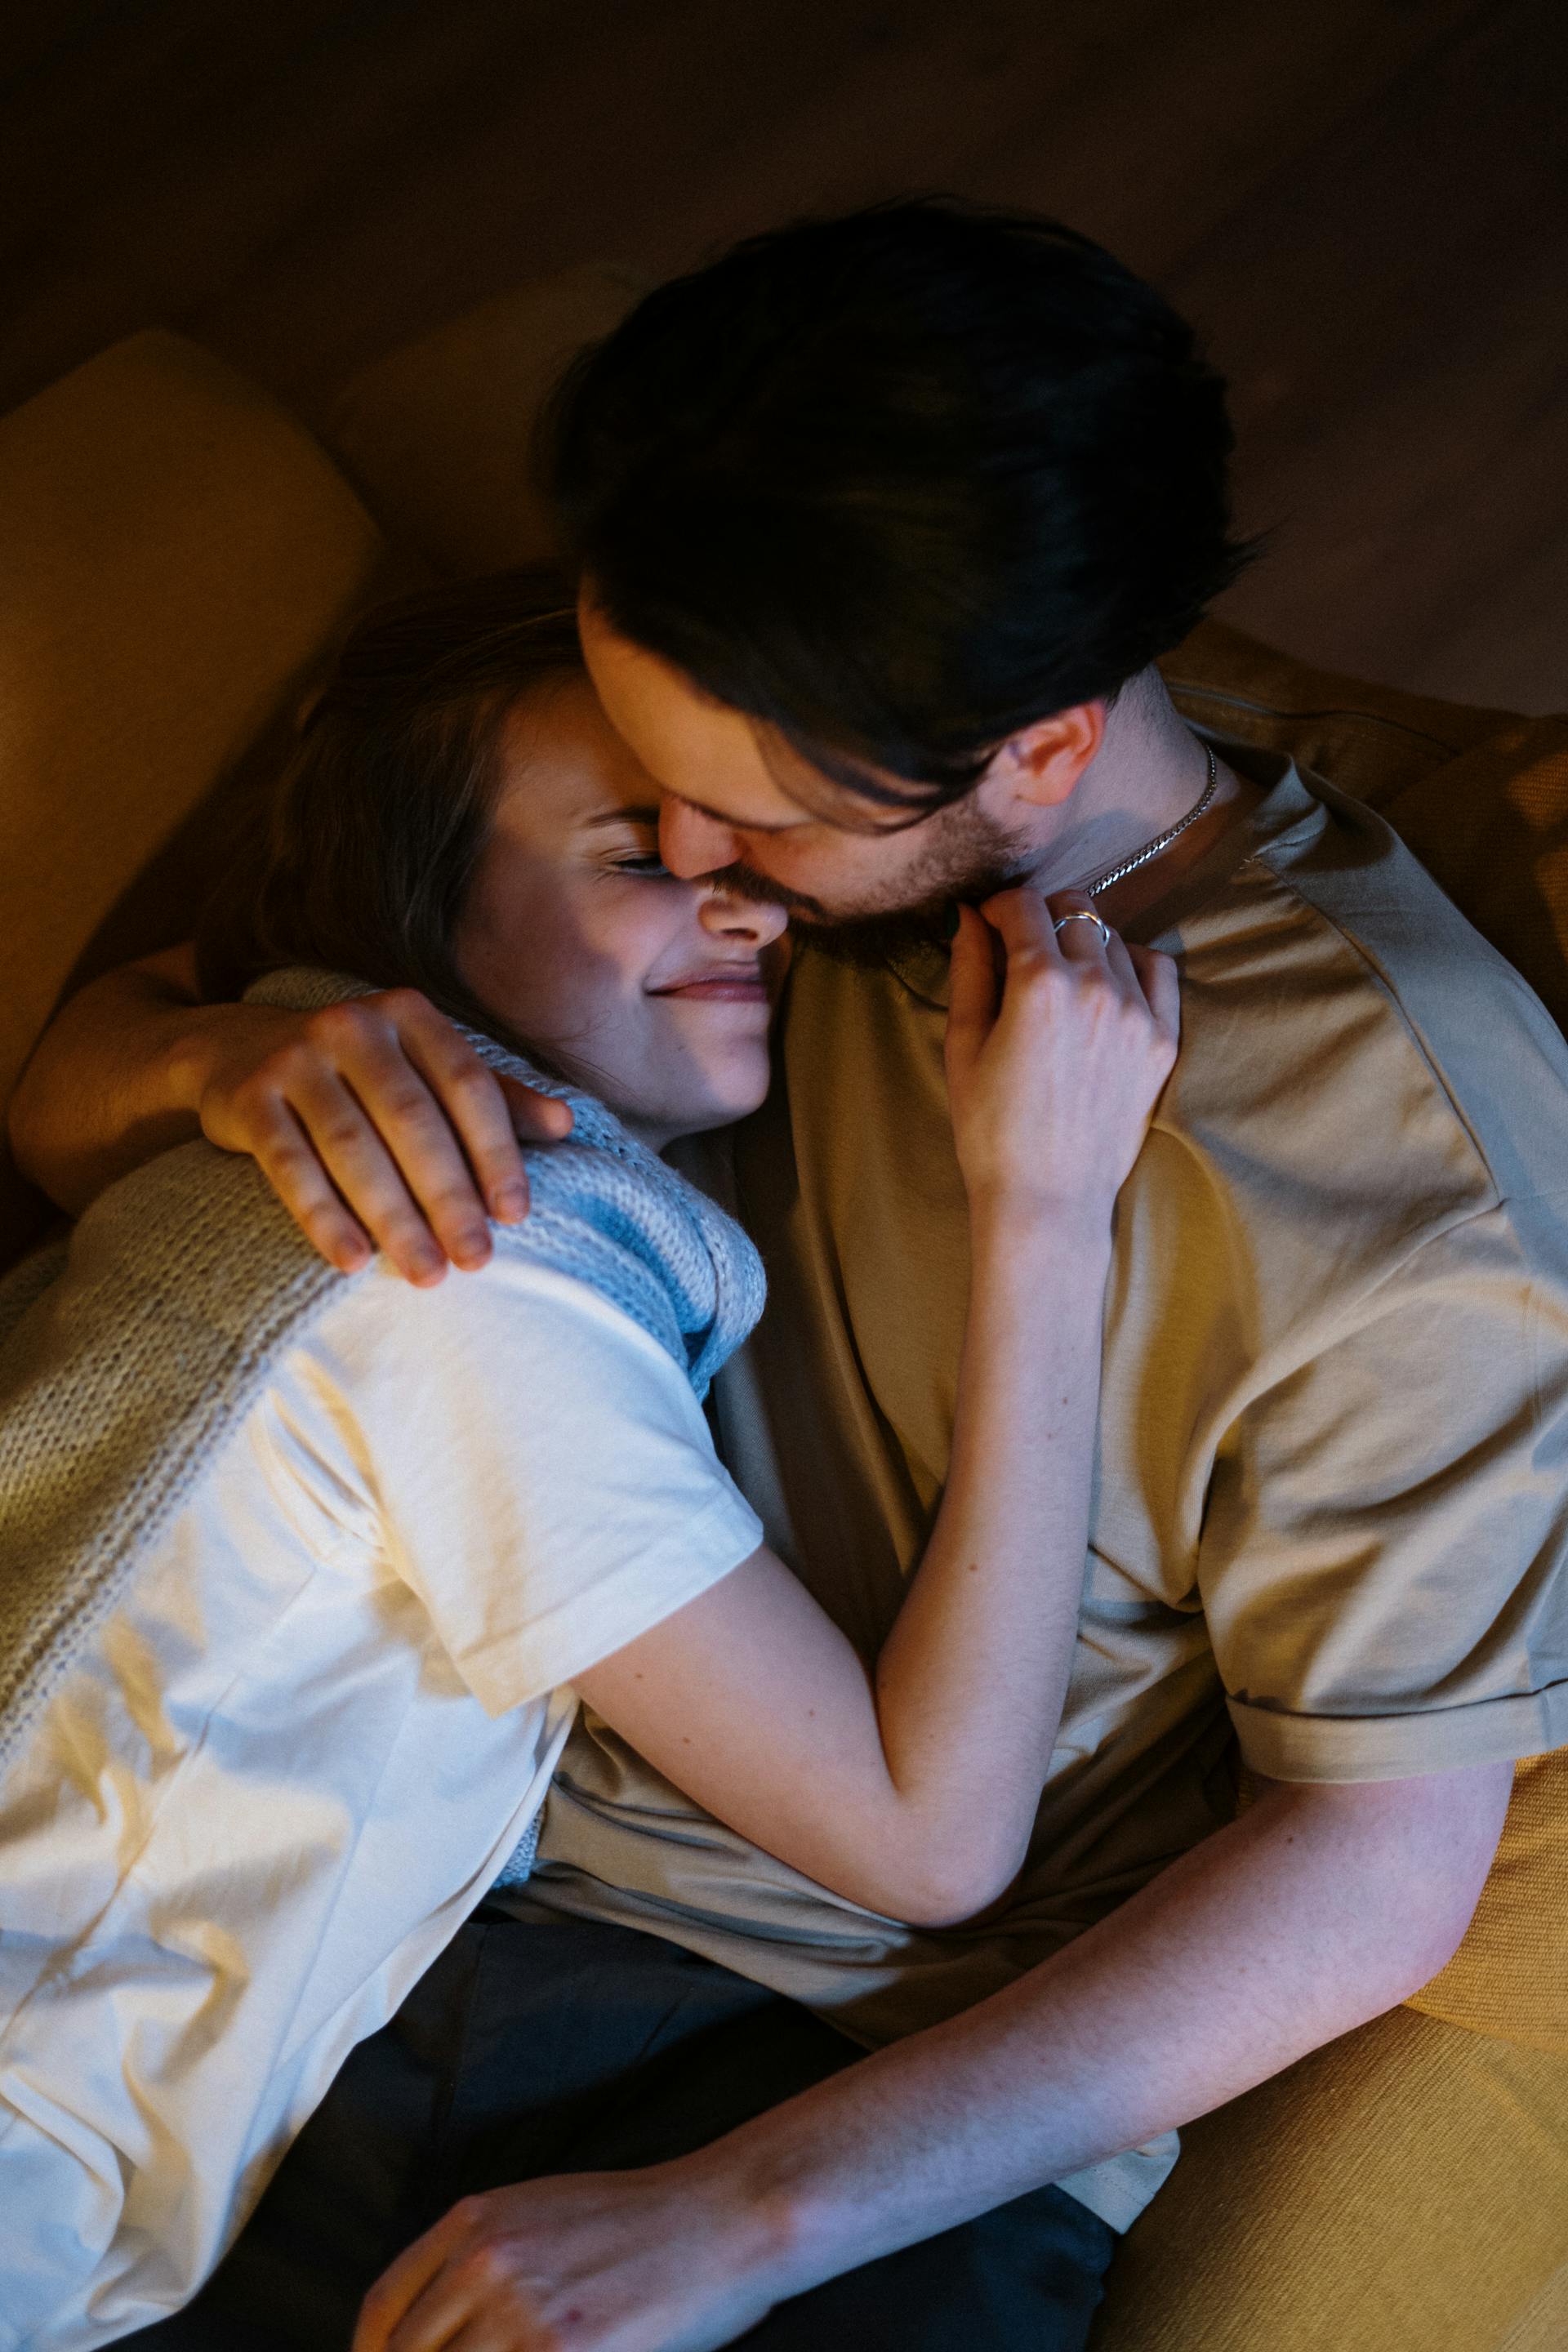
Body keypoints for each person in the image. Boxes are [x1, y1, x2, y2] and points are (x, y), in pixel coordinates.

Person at [13, 201, 1568, 2351]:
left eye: (743, 815)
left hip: (846, 2076)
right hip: (402, 1871)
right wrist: (226, 1050)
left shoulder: (1390, 1153)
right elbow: (79, 1082)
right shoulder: (706, 758)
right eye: (651, 789)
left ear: (1035, 749)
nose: (703, 861)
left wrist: (738, 2218)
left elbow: (1382, 1864)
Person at [0, 568, 1177, 2350]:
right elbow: (931, 1839)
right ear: (418, 916)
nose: (751, 904)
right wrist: (1048, 1216)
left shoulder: (235, 1149)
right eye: (637, 857)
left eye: (746, 839)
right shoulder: (472, 1277)